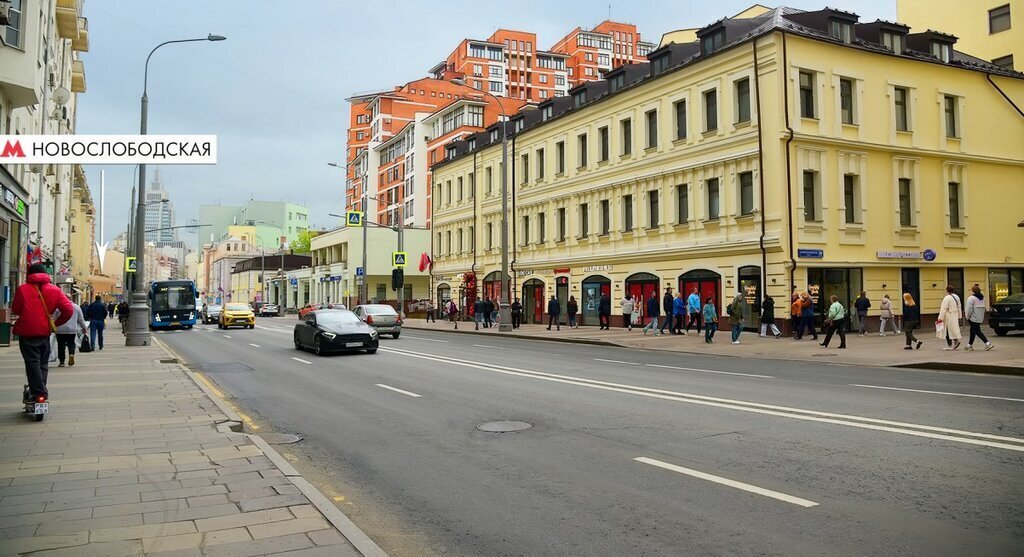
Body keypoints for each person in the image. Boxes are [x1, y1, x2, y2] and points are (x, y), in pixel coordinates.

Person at [12, 263, 75, 403]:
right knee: (42, 364)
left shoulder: (22, 289)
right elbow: (68, 310)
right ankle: (40, 392)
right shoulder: (55, 290)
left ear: (29, 275)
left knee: (32, 363)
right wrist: (55, 324)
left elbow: (16, 309)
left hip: (26, 333)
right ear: (45, 274)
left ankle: (39, 393)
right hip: (44, 332)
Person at [55, 301, 87, 367]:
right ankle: (71, 354)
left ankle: (62, 362)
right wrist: (84, 327)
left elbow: (53, 317)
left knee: (61, 345)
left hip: (60, 329)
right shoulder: (76, 307)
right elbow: (80, 319)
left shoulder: (58, 307)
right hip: (72, 329)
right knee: (71, 343)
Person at [964, 285, 994, 351]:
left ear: (973, 291)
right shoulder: (982, 298)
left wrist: (967, 316)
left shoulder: (971, 298)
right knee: (972, 330)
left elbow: (968, 309)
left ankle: (987, 343)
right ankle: (970, 344)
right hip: (980, 317)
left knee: (977, 331)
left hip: (973, 317)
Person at [938, 285, 963, 350]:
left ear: (947, 290)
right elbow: (959, 306)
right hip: (955, 314)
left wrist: (940, 318)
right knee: (953, 329)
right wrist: (959, 316)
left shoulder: (947, 298)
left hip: (948, 315)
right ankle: (955, 340)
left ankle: (950, 345)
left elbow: (944, 308)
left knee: (947, 330)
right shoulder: (957, 297)